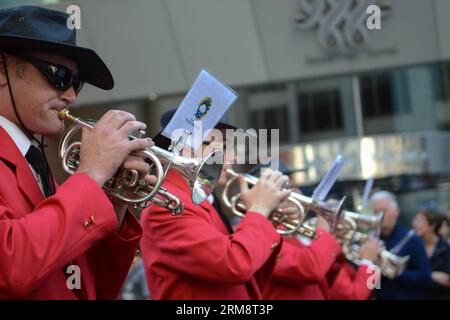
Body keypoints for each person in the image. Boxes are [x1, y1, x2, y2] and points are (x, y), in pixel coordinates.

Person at [0, 5, 155, 299]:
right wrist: (92, 173)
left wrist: (113, 200)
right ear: (1, 68)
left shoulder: (37, 165)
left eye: (76, 82)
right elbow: (9, 267)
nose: (70, 95)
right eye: (57, 75)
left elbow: (93, 286)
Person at [140, 109, 292, 299]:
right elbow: (234, 265)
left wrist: (265, 218)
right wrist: (259, 210)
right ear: (186, 148)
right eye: (225, 147)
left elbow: (249, 278)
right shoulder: (166, 205)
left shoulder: (203, 200)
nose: (234, 158)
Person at [370, 191, 431, 299]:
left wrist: (396, 272)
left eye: (383, 211)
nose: (379, 216)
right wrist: (372, 268)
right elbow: (373, 285)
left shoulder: (412, 239)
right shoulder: (371, 240)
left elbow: (425, 278)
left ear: (396, 212)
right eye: (376, 211)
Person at [413, 208, 450, 299]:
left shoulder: (445, 249)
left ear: (432, 225)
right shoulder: (412, 247)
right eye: (415, 220)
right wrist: (431, 275)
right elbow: (405, 276)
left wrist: (419, 276)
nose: (414, 224)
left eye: (420, 221)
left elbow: (446, 281)